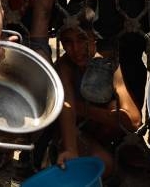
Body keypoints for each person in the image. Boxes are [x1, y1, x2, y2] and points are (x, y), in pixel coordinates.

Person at [54, 14, 141, 176]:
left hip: (103, 130)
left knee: (114, 106)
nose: (76, 49)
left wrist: (81, 109)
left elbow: (134, 120)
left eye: (82, 39)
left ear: (94, 37)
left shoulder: (107, 62)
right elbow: (67, 109)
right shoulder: (64, 66)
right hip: (75, 130)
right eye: (68, 42)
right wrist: (71, 150)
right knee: (104, 164)